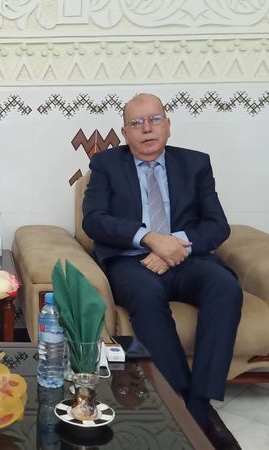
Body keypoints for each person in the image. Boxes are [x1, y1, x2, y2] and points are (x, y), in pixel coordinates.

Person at [82, 93, 242, 447]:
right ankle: (182, 399)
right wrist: (149, 238)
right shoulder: (106, 164)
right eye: (136, 123)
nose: (147, 128)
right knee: (146, 293)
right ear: (125, 132)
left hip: (187, 258)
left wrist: (173, 245)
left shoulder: (196, 163)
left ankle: (196, 406)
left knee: (225, 286)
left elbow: (217, 226)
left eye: (155, 119)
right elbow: (93, 220)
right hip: (132, 260)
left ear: (168, 125)